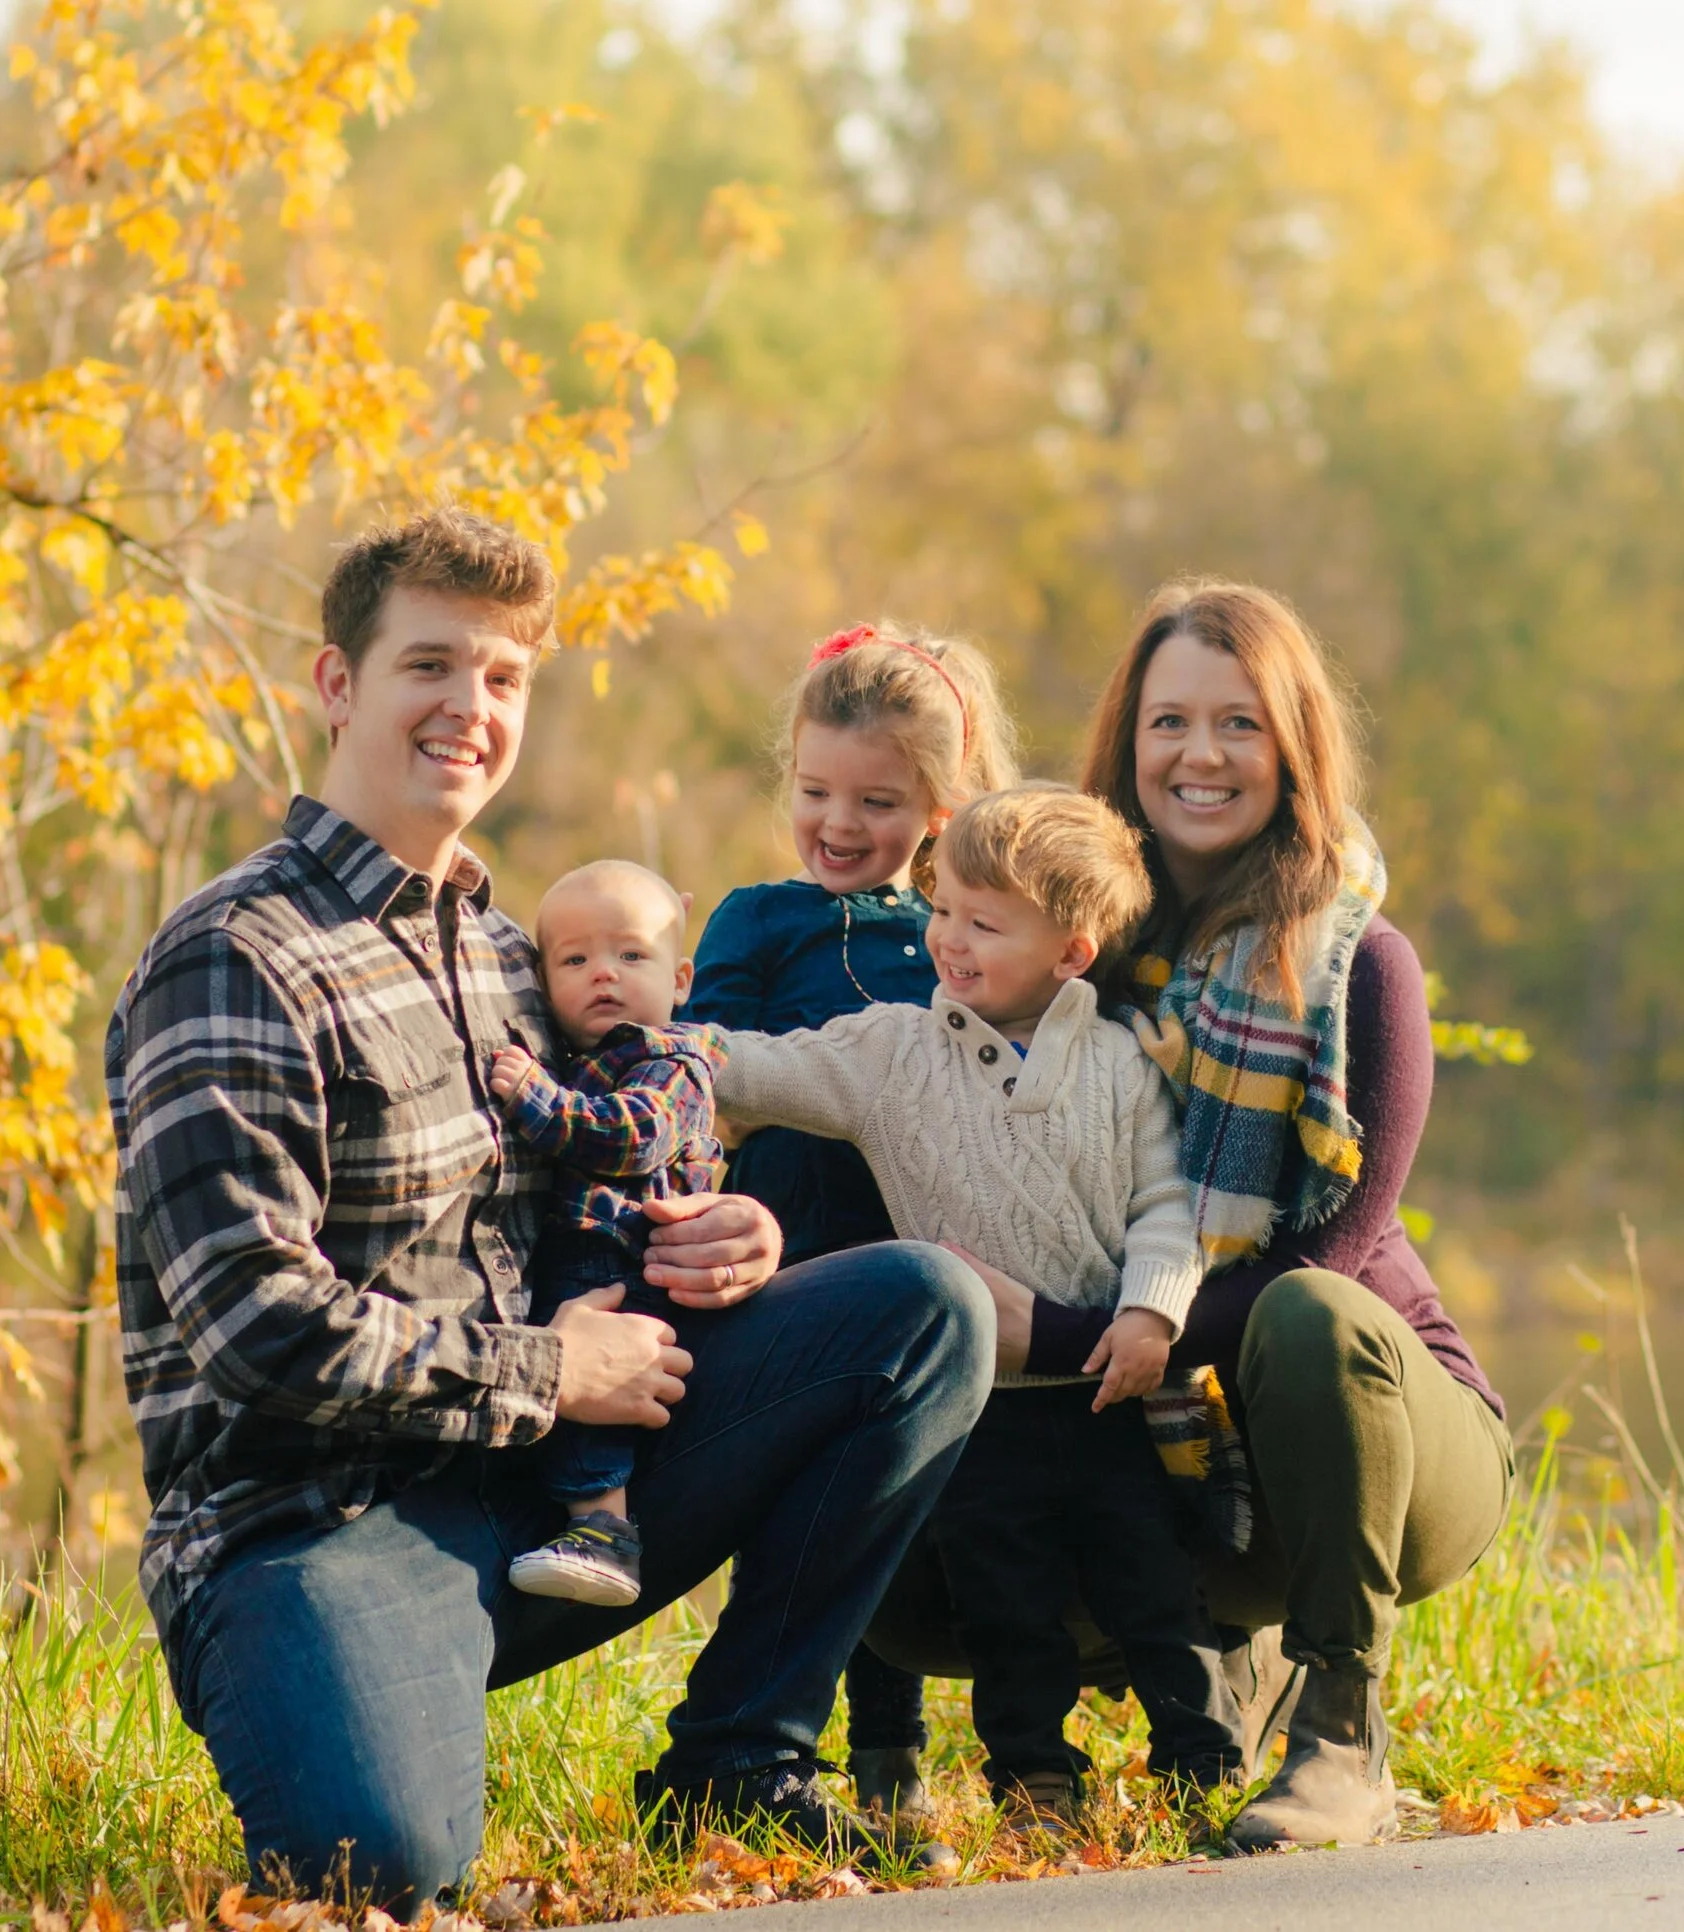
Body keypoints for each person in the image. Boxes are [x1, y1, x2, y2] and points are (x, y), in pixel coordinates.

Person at [105, 504, 995, 1908]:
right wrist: (549, 1371)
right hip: (317, 1524)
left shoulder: (518, 959)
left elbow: (606, 1183)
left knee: (921, 1309)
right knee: (379, 1867)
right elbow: (250, 1325)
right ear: (337, 685)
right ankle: (358, 1698)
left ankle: (739, 1759)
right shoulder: (236, 959)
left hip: (554, 1488)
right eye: (430, 665)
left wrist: (718, 1233)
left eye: (504, 676)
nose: (471, 706)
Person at [990, 578, 1513, 1850]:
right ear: (1127, 741)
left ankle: (1340, 1728)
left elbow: (1321, 1256)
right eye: (1169, 721)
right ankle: (1182, 1668)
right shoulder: (1071, 963)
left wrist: (1058, 1339)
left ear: (1293, 746)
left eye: (1240, 724)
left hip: (1382, 1440)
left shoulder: (1358, 966)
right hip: (1156, 1444)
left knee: (1309, 1312)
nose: (1202, 754)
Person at [712, 784, 1244, 1831]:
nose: (946, 939)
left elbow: (1165, 1205)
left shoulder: (1121, 1065)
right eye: (943, 909)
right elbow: (756, 1070)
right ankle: (1035, 1782)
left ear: (1071, 954)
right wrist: (648, 1033)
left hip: (1105, 1395)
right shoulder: (891, 1053)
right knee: (1006, 1603)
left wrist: (1149, 1314)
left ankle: (1206, 1765)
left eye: (983, 925)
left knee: (1155, 1589)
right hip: (981, 1404)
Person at [681, 619, 1018, 1821]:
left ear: (940, 806)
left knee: (905, 1502)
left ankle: (918, 1752)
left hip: (932, 1246)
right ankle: (795, 1744)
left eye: (876, 802)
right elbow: (702, 1064)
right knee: (808, 1504)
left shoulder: (959, 936)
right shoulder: (758, 919)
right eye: (815, 791)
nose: (837, 823)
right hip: (786, 1252)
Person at [484, 861, 724, 1608]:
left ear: (679, 979)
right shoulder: (581, 1059)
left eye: (630, 954)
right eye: (575, 959)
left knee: (594, 1377)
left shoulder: (672, 1060)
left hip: (619, 1251)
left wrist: (538, 1101)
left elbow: (634, 1137)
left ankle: (602, 1531)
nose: (603, 974)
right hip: (580, 1246)